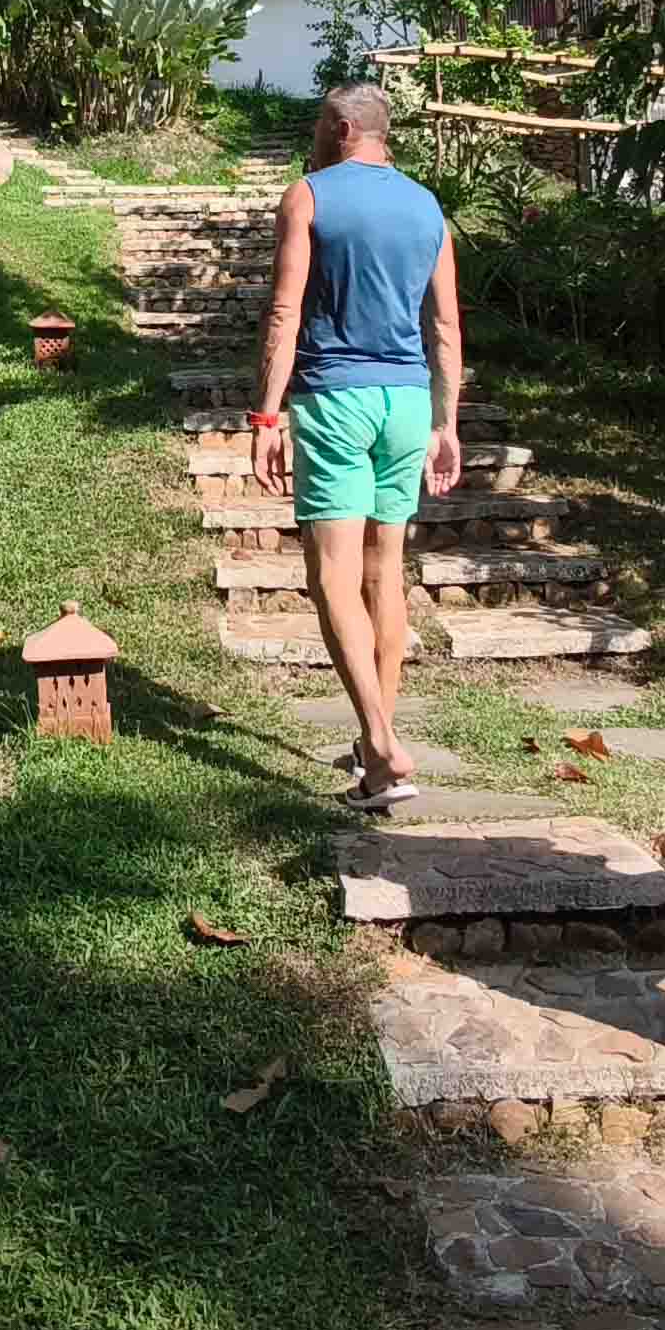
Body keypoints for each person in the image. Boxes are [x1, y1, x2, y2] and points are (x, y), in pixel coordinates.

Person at [254, 82, 463, 811]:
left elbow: (284, 311)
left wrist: (267, 417)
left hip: (335, 400)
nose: (314, 135)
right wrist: (447, 424)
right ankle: (378, 752)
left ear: (343, 129)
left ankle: (379, 741)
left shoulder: (308, 195)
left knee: (333, 578)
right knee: (386, 573)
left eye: (320, 123)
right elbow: (445, 328)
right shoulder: (428, 206)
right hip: (406, 403)